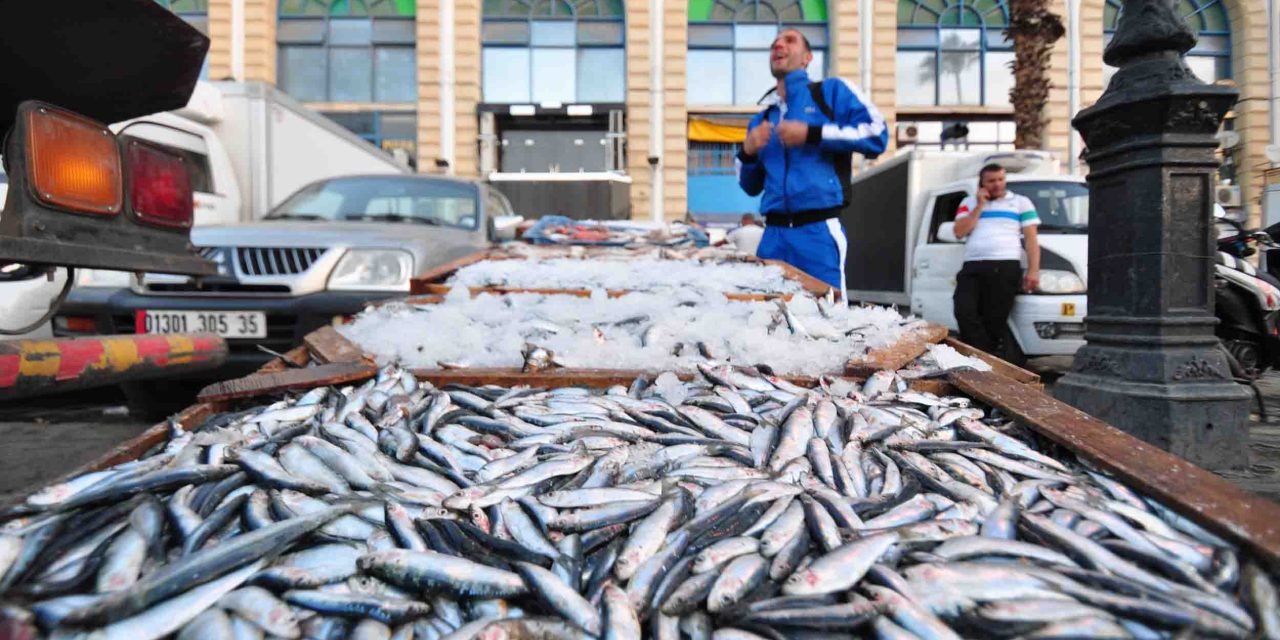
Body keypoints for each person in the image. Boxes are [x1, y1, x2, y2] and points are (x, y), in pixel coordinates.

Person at [736, 28, 887, 293]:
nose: (779, 45)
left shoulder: (830, 92)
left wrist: (813, 133)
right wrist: (746, 152)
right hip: (772, 236)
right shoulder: (761, 119)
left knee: (828, 323)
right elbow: (750, 187)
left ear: (807, 58)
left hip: (818, 232)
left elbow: (877, 134)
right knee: (766, 321)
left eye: (789, 40)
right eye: (774, 44)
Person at [952, 163, 1041, 359]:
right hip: (973, 265)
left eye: (1001, 179)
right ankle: (982, 357)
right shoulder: (968, 202)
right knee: (963, 310)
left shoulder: (1021, 202)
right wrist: (980, 206)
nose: (997, 184)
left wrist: (1034, 270)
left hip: (1004, 265)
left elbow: (1031, 239)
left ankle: (983, 360)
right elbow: (959, 231)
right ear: (982, 184)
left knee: (994, 319)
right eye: (991, 181)